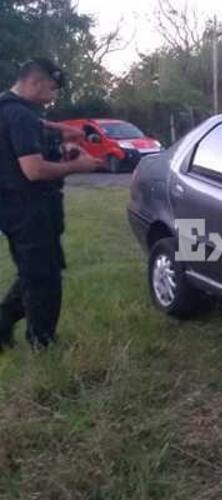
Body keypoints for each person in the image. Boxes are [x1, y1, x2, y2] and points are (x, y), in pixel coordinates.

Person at [0, 58, 104, 351]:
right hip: (27, 207)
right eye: (52, 87)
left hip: (16, 207)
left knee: (38, 271)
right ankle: (42, 342)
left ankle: (2, 324)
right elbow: (33, 170)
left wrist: (64, 137)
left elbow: (39, 126)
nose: (54, 94)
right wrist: (79, 165)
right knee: (43, 279)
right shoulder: (19, 116)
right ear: (34, 82)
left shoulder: (10, 108)